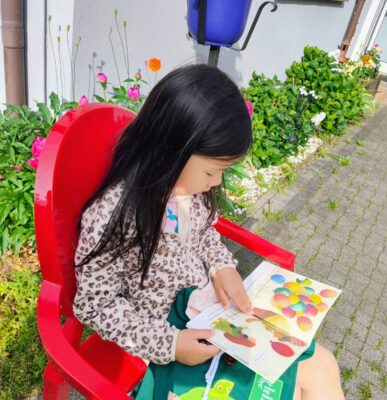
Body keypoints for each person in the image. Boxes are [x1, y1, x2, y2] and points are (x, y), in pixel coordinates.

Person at [73, 64, 345, 399]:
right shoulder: (114, 215)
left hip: (207, 313)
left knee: (322, 365)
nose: (216, 182)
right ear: (170, 150)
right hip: (167, 341)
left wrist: (221, 267)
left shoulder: (186, 191)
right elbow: (94, 307)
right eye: (212, 172)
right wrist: (171, 344)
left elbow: (204, 234)